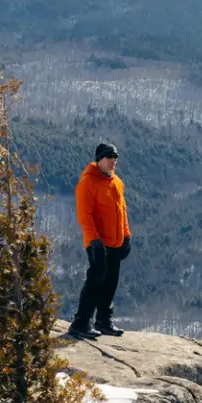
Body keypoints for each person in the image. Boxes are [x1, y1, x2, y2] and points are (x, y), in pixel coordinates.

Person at [69, 142, 132, 340]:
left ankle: (103, 321)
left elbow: (122, 212)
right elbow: (84, 215)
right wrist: (94, 241)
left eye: (115, 156)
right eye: (108, 156)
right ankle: (81, 323)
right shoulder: (88, 183)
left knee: (110, 282)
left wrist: (126, 236)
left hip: (115, 242)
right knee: (95, 282)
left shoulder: (116, 182)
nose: (113, 160)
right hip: (97, 243)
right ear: (99, 159)